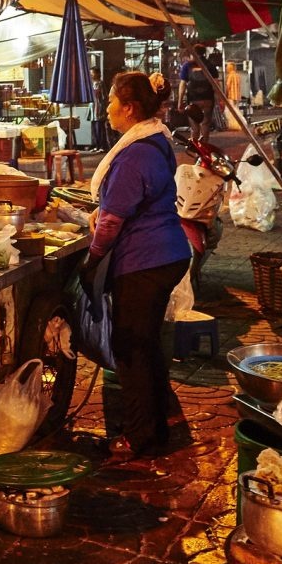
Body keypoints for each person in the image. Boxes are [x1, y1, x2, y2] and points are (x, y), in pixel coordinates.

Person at [82, 71, 193, 459]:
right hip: (166, 253)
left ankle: (140, 436)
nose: (107, 108)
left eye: (112, 100)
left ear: (129, 108)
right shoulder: (155, 140)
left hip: (146, 261)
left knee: (130, 349)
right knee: (145, 344)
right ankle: (160, 422)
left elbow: (113, 221)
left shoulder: (135, 154)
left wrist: (92, 260)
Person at [181, 44, 216, 143]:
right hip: (208, 99)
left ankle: (196, 150)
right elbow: (215, 84)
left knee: (194, 127)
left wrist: (180, 102)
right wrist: (220, 100)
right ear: (204, 53)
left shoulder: (187, 66)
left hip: (193, 100)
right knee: (205, 124)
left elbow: (183, 84)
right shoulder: (210, 65)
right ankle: (204, 149)